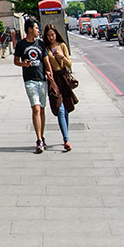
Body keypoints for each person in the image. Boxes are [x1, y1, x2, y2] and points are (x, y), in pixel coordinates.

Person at [14, 20, 49, 152]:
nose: (38, 30)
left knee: (42, 110)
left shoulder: (40, 44)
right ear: (29, 29)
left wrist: (49, 73)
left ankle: (42, 136)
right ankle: (39, 139)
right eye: (36, 28)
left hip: (42, 79)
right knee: (36, 108)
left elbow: (45, 60)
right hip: (30, 80)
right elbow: (16, 61)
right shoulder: (21, 45)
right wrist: (24, 64)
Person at [42, 24, 76, 152]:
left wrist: (61, 56)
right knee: (60, 109)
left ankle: (65, 138)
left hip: (63, 78)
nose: (51, 37)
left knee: (66, 108)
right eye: (48, 35)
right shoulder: (46, 48)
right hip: (53, 79)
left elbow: (69, 63)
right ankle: (66, 139)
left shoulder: (62, 46)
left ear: (56, 34)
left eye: (53, 34)